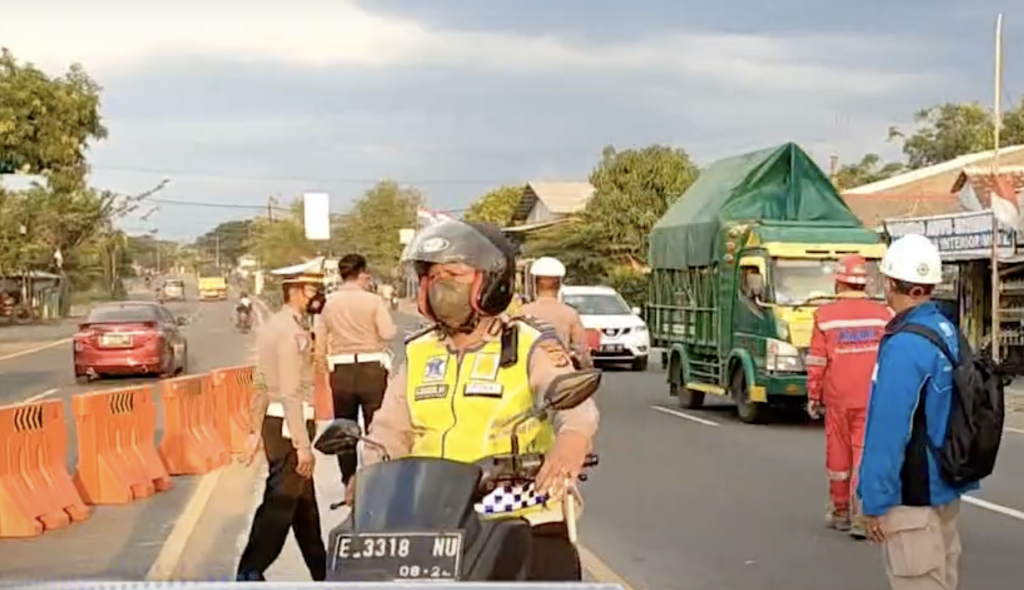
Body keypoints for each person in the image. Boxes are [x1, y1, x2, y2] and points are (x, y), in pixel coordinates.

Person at [349, 220, 599, 581]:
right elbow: (390, 429)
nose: (441, 285)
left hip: (517, 514)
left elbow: (575, 404)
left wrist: (572, 440)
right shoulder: (419, 350)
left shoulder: (529, 344)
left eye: (454, 274)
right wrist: (370, 477)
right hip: (431, 519)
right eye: (433, 276)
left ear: (492, 281)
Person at [858, 234, 978, 590]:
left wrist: (874, 501)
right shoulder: (947, 330)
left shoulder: (905, 345)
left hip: (912, 497)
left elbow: (888, 430)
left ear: (889, 283)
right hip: (944, 486)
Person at [237, 271, 327, 581]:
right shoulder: (293, 333)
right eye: (312, 289)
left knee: (304, 507)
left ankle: (323, 572)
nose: (317, 295)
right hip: (291, 424)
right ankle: (250, 571)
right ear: (296, 291)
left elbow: (261, 383)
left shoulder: (273, 326)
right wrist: (303, 446)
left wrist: (255, 429)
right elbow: (290, 391)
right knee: (280, 503)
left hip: (277, 422)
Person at [805, 254, 893, 538]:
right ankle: (862, 515)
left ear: (838, 282)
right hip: (871, 398)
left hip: (837, 398)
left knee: (838, 455)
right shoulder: (884, 315)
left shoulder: (824, 316)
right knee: (864, 455)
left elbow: (817, 361)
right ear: (865, 283)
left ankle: (840, 511)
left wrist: (813, 395)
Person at [314, 254, 397, 486]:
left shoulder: (328, 302)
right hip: (372, 369)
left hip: (341, 371)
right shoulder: (373, 301)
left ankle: (349, 482)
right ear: (362, 273)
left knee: (344, 429)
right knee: (376, 427)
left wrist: (323, 365)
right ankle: (377, 479)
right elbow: (388, 333)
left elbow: (320, 343)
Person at [521, 256, 594, 369]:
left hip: (528, 372)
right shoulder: (570, 314)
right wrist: (587, 368)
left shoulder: (522, 312)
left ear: (535, 284)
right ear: (559, 284)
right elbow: (581, 352)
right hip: (560, 373)